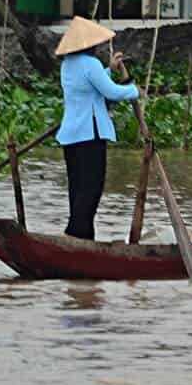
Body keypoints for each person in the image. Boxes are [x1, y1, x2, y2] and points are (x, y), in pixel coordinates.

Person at [54, 15, 140, 240]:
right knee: (91, 190)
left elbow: (91, 85)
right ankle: (75, 236)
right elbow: (110, 92)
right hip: (89, 135)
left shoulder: (67, 65)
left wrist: (109, 69)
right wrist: (134, 90)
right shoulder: (90, 64)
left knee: (77, 189)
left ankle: (80, 238)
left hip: (71, 136)